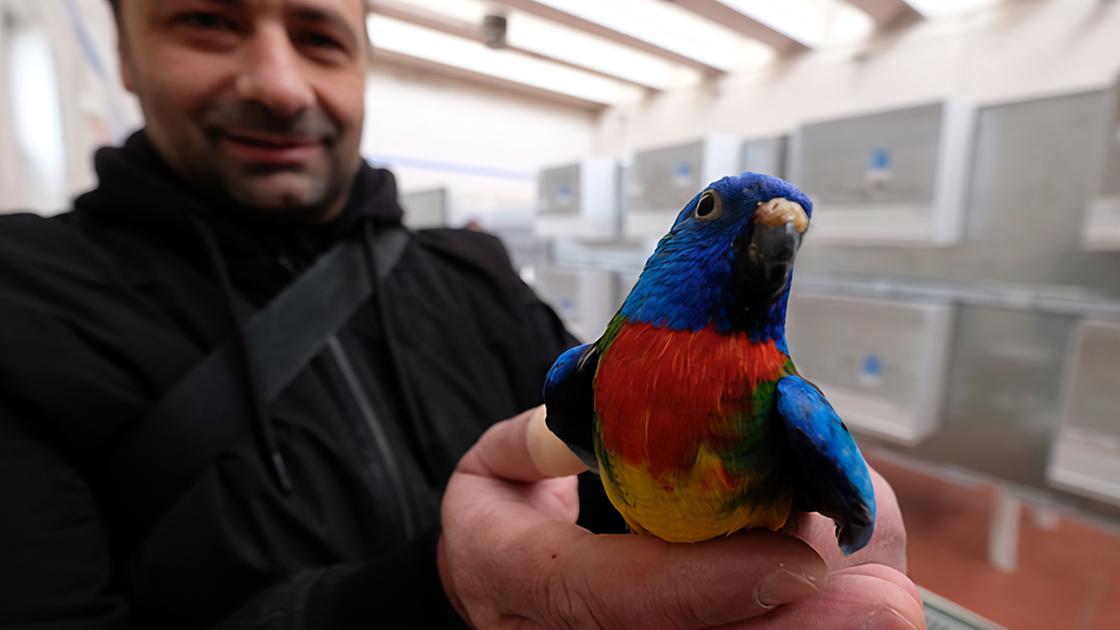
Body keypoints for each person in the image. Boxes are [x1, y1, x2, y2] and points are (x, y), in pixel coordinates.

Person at [0, 0, 924, 628]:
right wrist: (436, 586)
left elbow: (591, 473)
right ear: (122, 49)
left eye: (320, 34)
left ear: (365, 58)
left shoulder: (472, 271)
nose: (280, 84)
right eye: (207, 20)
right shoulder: (24, 298)